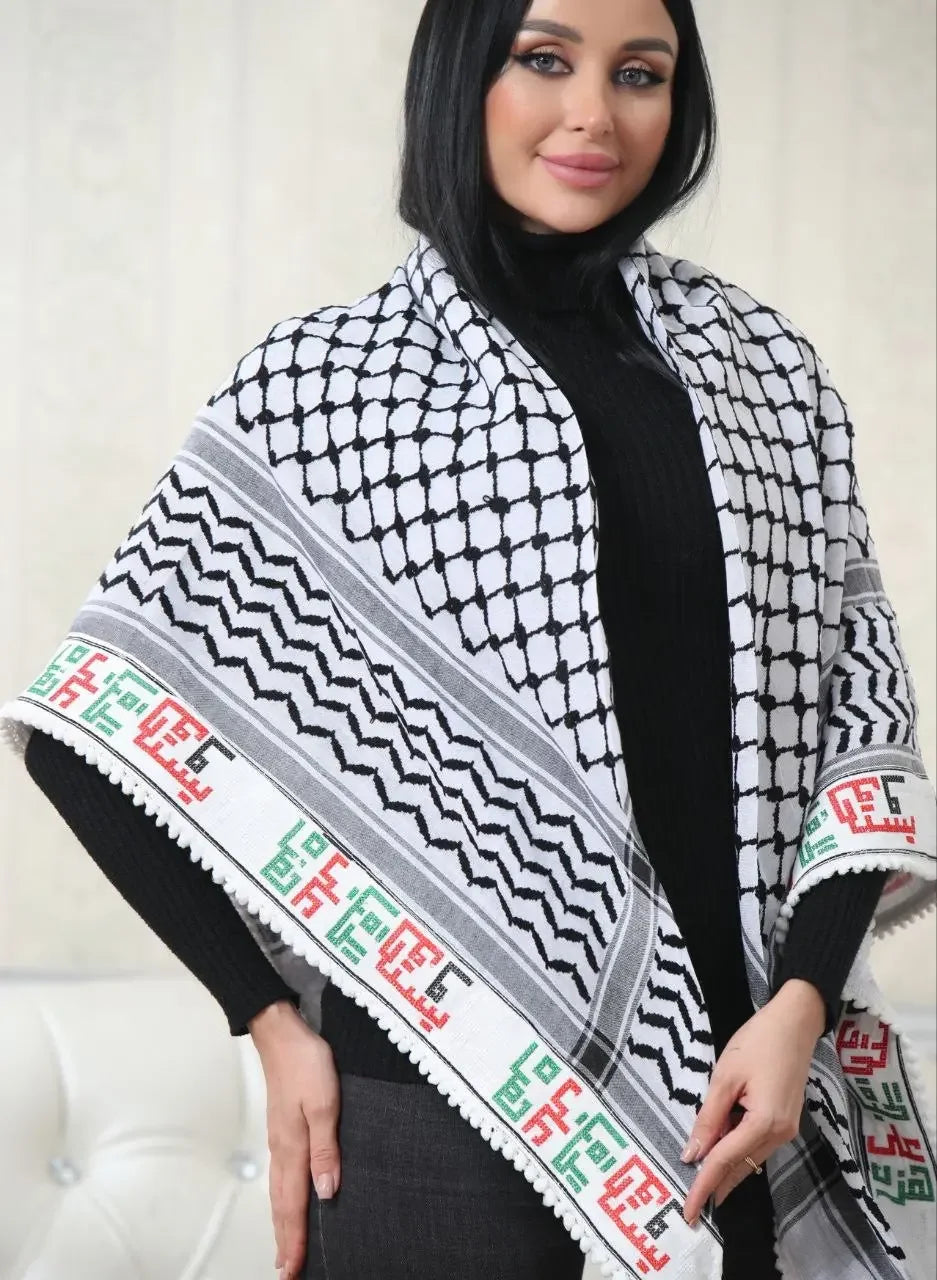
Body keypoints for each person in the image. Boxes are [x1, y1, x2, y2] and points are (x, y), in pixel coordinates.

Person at [8, 1, 934, 1279]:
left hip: (739, 1094)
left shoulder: (764, 376)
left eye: (641, 73)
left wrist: (801, 1000)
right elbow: (90, 730)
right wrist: (264, 1015)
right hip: (431, 1126)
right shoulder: (325, 388)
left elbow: (853, 719)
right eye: (543, 59)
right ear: (461, 76)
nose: (593, 114)